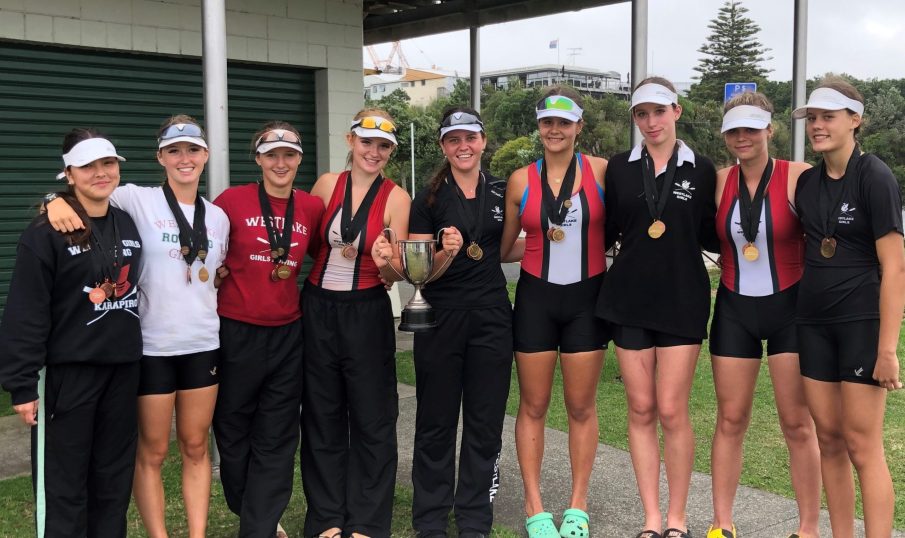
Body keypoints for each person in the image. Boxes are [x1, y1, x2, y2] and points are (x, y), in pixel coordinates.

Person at [45, 115, 230, 538]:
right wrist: (52, 199)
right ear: (160, 157)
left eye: (193, 150)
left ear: (206, 155)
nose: (184, 159)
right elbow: (86, 191)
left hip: (203, 342)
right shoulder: (136, 198)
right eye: (174, 151)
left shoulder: (218, 217)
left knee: (197, 446)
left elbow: (215, 272)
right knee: (152, 451)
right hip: (149, 346)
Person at [0, 129, 143, 536]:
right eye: (88, 166)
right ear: (69, 174)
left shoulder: (126, 221)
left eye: (108, 163)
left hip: (122, 371)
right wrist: (22, 384)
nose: (101, 173)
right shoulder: (45, 233)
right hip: (68, 376)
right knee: (64, 484)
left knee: (112, 482)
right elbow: (26, 311)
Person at [595, 77, 717, 538]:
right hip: (628, 300)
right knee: (641, 408)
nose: (650, 122)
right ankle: (651, 518)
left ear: (676, 112)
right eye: (642, 114)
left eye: (658, 112)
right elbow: (603, 231)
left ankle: (678, 518)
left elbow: (713, 232)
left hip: (682, 300)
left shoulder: (701, 169)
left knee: (671, 409)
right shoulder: (619, 168)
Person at [792, 78, 905, 538]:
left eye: (828, 117)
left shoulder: (874, 176)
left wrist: (888, 349)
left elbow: (895, 268)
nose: (817, 126)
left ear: (855, 120)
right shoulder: (807, 183)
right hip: (813, 323)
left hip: (860, 323)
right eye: (812, 119)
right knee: (830, 440)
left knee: (862, 444)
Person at [706, 92, 821, 538]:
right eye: (734, 130)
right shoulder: (719, 181)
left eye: (752, 128)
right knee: (730, 419)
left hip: (791, 308)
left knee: (797, 422)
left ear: (769, 129)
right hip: (735, 308)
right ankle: (722, 523)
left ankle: (808, 528)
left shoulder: (799, 176)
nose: (743, 137)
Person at [408, 107, 522, 538]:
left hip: (492, 315)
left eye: (469, 138)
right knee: (436, 420)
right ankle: (431, 519)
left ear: (483, 140)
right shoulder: (429, 198)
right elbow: (417, 272)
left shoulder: (502, 190)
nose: (463, 147)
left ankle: (475, 518)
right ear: (443, 146)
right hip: (441, 315)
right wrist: (445, 252)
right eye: (453, 140)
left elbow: (507, 248)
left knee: (485, 419)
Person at [499, 86, 608, 538]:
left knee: (581, 406)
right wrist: (540, 242)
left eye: (565, 122)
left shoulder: (602, 170)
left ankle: (578, 506)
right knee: (534, 404)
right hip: (536, 299)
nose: (555, 129)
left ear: (579, 126)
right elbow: (505, 246)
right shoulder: (521, 180)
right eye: (547, 122)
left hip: (588, 299)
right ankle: (534, 504)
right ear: (539, 126)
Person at [300, 108, 411, 538]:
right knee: (322, 413)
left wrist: (387, 263)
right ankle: (326, 516)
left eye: (383, 146)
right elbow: (308, 244)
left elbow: (397, 273)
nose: (374, 151)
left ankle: (366, 520)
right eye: (367, 142)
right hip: (317, 307)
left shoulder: (397, 198)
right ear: (351, 141)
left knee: (372, 416)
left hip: (367, 310)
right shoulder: (328, 184)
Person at [212, 122, 324, 537]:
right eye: (271, 154)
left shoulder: (311, 207)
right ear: (258, 158)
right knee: (233, 428)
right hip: (235, 330)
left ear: (299, 159)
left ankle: (259, 526)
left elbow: (326, 253)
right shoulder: (230, 201)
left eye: (289, 155)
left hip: (287, 333)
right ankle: (253, 513)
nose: (281, 162)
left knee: (278, 435)